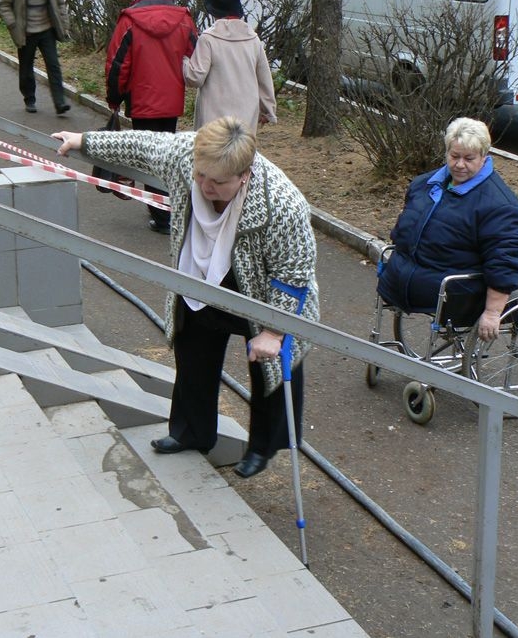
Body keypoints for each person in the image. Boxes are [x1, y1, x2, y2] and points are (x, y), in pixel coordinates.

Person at [54, 116, 319, 479]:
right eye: (201, 176)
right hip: (200, 276)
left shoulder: (282, 204)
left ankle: (262, 446)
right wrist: (83, 140)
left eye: (218, 182)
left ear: (244, 175)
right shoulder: (187, 156)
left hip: (262, 292)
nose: (206, 186)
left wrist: (274, 332)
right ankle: (191, 433)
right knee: (192, 350)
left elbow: (293, 275)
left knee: (269, 365)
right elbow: (143, 146)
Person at [377, 117, 518, 342]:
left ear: (484, 157)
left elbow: (503, 263)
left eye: (469, 158)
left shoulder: (501, 207)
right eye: (454, 156)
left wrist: (492, 312)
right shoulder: (424, 184)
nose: (459, 164)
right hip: (406, 278)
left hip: (453, 291)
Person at [105, 0, 198, 235]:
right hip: (171, 99)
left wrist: (115, 97)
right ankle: (167, 209)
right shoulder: (183, 19)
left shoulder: (129, 20)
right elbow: (196, 53)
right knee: (167, 155)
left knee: (148, 155)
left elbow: (117, 64)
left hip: (141, 99)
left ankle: (160, 213)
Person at [183, 0, 277, 133]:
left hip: (213, 119)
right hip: (245, 117)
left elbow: (195, 78)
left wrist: (184, 61)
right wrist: (267, 110)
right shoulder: (253, 39)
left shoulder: (208, 39)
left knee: (213, 154)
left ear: (215, 12)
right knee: (241, 154)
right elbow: (264, 77)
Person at [0, 0, 71, 116]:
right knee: (26, 68)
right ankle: (29, 99)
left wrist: (64, 23)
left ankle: (60, 102)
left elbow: (60, 1)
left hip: (47, 30)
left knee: (53, 66)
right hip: (26, 32)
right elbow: (4, 2)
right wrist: (12, 24)